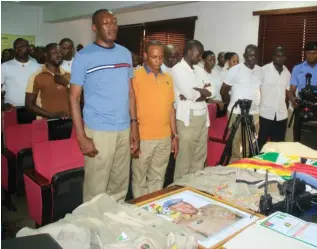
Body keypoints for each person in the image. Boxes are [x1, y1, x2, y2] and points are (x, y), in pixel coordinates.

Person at [69, 9, 139, 203]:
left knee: (119, 185)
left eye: (114, 22)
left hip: (123, 128)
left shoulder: (124, 53)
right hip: (99, 131)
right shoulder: (84, 56)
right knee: (96, 190)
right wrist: (81, 136)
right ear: (95, 28)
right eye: (106, 22)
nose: (112, 26)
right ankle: (92, 228)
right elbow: (74, 98)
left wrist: (134, 125)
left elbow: (130, 92)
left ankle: (112, 227)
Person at [131, 41, 178, 198]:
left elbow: (171, 109)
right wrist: (134, 135)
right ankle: (139, 211)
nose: (158, 61)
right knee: (139, 179)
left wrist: (174, 135)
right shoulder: (135, 76)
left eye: (160, 57)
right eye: (154, 57)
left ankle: (152, 209)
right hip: (143, 137)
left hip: (164, 138)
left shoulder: (168, 79)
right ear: (145, 56)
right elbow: (130, 107)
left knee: (158, 178)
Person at [171, 40, 215, 181]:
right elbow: (190, 94)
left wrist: (200, 92)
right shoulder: (177, 69)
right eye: (199, 53)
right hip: (188, 119)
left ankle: (194, 189)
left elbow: (211, 91)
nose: (201, 56)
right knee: (185, 160)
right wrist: (201, 92)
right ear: (190, 50)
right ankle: (178, 190)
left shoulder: (199, 69)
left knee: (199, 158)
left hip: (203, 117)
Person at [220, 44, 262, 162]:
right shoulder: (235, 70)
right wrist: (231, 103)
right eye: (250, 55)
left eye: (255, 55)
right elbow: (223, 90)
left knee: (250, 144)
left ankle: (247, 167)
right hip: (237, 113)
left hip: (254, 113)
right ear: (244, 56)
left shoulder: (260, 71)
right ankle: (234, 170)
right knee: (236, 145)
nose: (252, 58)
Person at [288, 41, 317, 142]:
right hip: (301, 106)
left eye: (314, 53)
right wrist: (293, 100)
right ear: (305, 53)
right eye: (308, 53)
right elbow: (292, 90)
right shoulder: (297, 68)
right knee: (298, 139)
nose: (311, 56)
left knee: (316, 140)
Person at [258, 46, 291, 150]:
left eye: (283, 56)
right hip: (265, 115)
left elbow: (289, 91)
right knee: (260, 144)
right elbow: (256, 89)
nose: (280, 58)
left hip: (281, 115)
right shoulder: (263, 70)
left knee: (278, 146)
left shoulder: (287, 73)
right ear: (273, 57)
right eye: (278, 56)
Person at [25, 43, 70, 119]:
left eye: (60, 52)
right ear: (46, 55)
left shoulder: (68, 75)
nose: (58, 55)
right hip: (45, 123)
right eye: (54, 52)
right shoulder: (36, 76)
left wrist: (66, 83)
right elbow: (29, 105)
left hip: (68, 121)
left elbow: (78, 98)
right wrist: (53, 115)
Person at [163, 199, 242, 239]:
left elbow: (241, 212)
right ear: (175, 211)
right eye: (181, 207)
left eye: (186, 204)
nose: (187, 207)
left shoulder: (211, 205)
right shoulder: (183, 225)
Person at [1, 38, 40, 109]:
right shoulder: (5, 66)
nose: (18, 49)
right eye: (16, 47)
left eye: (21, 46)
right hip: (11, 108)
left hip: (34, 108)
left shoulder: (37, 67)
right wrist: (2, 103)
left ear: (28, 48)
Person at [202, 50, 225, 115]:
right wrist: (215, 101)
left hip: (219, 106)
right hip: (207, 107)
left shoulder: (216, 72)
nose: (213, 62)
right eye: (210, 60)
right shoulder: (201, 74)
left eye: (214, 60)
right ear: (203, 61)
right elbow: (200, 95)